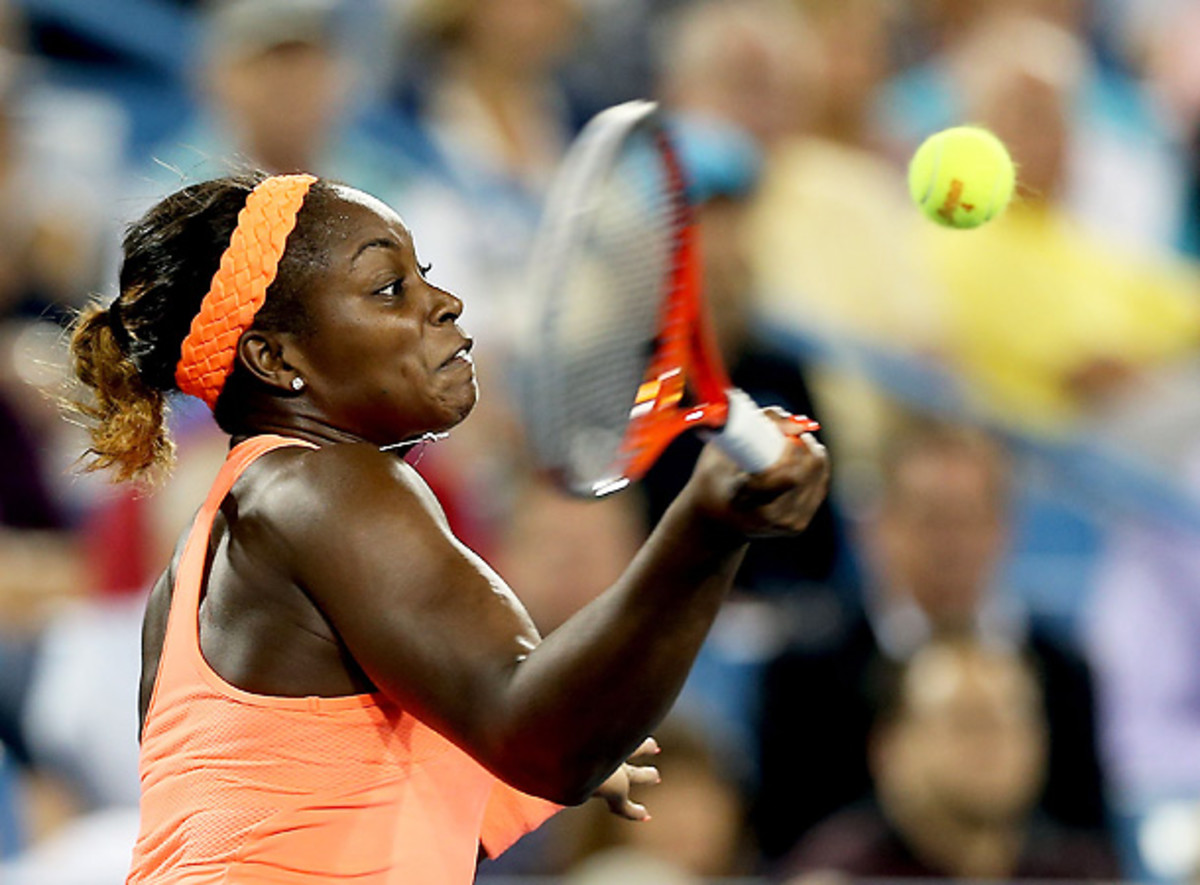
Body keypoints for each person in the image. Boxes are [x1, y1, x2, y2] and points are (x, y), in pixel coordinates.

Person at [65, 172, 830, 883]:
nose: (445, 302)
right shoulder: (323, 484)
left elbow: (328, 803)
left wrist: (578, 736)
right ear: (274, 357)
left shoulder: (205, 558)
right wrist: (706, 527)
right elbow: (540, 735)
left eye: (424, 274)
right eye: (389, 287)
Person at [754, 421, 1108, 861]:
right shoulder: (808, 668)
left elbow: (1091, 836)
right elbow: (781, 842)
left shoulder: (1061, 668)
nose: (951, 545)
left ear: (1006, 528)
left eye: (968, 519)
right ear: (878, 526)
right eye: (931, 520)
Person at [780, 637, 1119, 881]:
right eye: (965, 722)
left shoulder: (1080, 871)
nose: (994, 742)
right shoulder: (840, 873)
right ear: (890, 747)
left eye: (1015, 718)